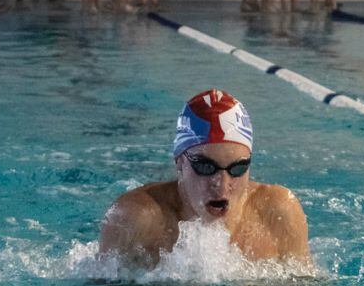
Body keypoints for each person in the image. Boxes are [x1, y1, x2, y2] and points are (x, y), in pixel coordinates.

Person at [99, 89, 311, 270]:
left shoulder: (278, 212)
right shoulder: (135, 218)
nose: (221, 182)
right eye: (205, 167)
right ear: (179, 162)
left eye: (237, 168)